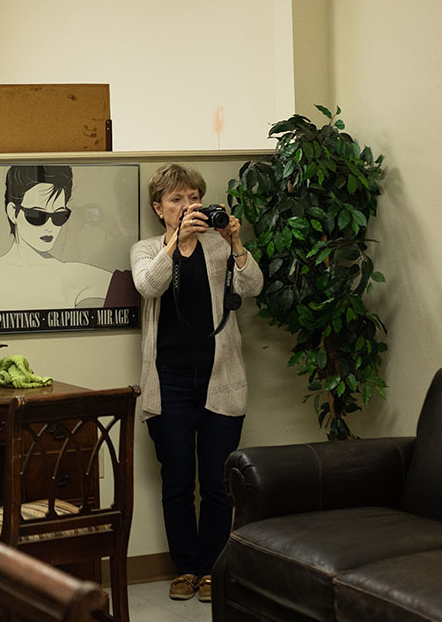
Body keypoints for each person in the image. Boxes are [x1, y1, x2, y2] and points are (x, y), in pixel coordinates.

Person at [129, 163, 263, 604]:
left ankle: (213, 569)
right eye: (176, 200)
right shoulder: (146, 249)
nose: (187, 207)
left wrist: (236, 243)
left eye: (192, 198)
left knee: (219, 482)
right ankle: (185, 567)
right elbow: (149, 286)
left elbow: (254, 286)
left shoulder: (219, 245)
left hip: (220, 377)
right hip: (167, 383)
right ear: (158, 208)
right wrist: (177, 243)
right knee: (177, 482)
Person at [0, 164, 127, 311]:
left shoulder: (74, 275)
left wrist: (116, 234)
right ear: (13, 212)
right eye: (37, 216)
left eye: (60, 216)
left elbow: (137, 285)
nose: (50, 226)